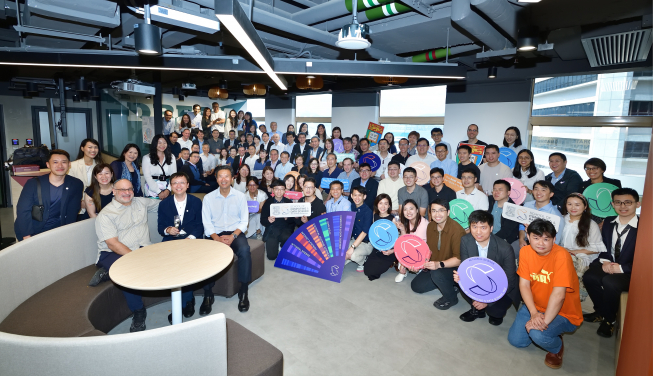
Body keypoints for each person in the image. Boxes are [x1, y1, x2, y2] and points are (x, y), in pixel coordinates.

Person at [508, 219, 583, 369]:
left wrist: (543, 322)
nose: (541, 243)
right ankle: (549, 329)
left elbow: (559, 295)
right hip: (536, 305)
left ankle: (556, 347)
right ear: (528, 237)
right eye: (536, 238)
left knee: (538, 334)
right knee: (516, 341)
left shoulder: (561, 255)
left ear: (554, 239)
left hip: (563, 311)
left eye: (546, 239)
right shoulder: (525, 251)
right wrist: (534, 313)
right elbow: (524, 285)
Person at [90, 179, 160, 332]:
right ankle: (138, 311)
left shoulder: (141, 202)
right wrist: (135, 257)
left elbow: (164, 204)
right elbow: (112, 244)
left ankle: (108, 273)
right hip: (112, 253)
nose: (127, 193)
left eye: (130, 189)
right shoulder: (107, 214)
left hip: (142, 248)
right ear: (113, 191)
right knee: (129, 272)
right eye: (122, 190)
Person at [582, 188, 640, 338]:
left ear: (637, 204)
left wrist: (620, 268)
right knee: (589, 277)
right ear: (613, 204)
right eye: (618, 202)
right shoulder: (608, 221)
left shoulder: (644, 227)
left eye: (628, 202)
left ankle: (609, 320)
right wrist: (606, 261)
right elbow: (605, 246)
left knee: (610, 282)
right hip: (609, 262)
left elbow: (644, 259)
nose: (623, 206)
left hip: (631, 270)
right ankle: (601, 312)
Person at [156, 172, 208, 323]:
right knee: (171, 266)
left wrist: (190, 238)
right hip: (171, 240)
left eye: (181, 183)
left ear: (187, 185)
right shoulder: (164, 204)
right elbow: (160, 227)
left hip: (191, 240)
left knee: (186, 264)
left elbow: (200, 225)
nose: (178, 186)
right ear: (170, 186)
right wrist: (168, 230)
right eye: (175, 183)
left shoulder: (196, 202)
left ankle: (188, 300)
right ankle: (180, 301)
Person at [455, 210, 520, 325]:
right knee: (461, 281)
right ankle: (476, 310)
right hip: (479, 279)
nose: (478, 232)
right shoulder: (466, 240)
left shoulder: (505, 248)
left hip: (500, 286)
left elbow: (509, 281)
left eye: (483, 227)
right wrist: (462, 278)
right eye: (474, 227)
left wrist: (487, 302)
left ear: (491, 228)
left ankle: (491, 310)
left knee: (495, 311)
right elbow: (465, 266)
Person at [202, 166, 252, 312]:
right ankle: (208, 294)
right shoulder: (208, 198)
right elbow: (207, 222)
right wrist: (216, 238)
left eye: (227, 176)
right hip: (214, 234)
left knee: (244, 250)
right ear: (216, 179)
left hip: (234, 232)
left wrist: (233, 236)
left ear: (232, 179)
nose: (223, 179)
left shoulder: (240, 196)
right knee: (206, 254)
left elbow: (244, 221)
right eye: (220, 176)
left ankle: (243, 290)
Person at [14, 149, 83, 241]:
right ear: (48, 165)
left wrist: (68, 233)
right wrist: (27, 236)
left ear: (69, 164)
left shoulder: (76, 184)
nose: (60, 166)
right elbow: (23, 210)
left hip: (58, 229)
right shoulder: (33, 184)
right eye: (55, 162)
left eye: (64, 162)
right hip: (33, 228)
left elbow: (72, 211)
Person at [410, 199, 465, 308]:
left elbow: (459, 259)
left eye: (441, 210)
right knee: (416, 286)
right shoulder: (430, 226)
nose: (437, 214)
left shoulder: (457, 230)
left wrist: (439, 264)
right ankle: (450, 284)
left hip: (453, 267)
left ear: (448, 212)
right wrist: (419, 264)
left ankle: (451, 298)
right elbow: (428, 251)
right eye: (434, 211)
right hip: (436, 264)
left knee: (437, 274)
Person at [559, 193, 606, 301]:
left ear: (585, 207)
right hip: (560, 253)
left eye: (577, 204)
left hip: (582, 255)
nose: (573, 207)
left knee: (567, 263)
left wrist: (571, 251)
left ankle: (570, 298)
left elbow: (596, 249)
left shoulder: (591, 224)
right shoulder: (561, 219)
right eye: (569, 204)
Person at [393, 198, 431, 282]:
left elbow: (418, 248)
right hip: (410, 249)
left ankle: (416, 268)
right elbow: (403, 241)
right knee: (400, 249)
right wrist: (402, 229)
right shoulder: (407, 222)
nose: (408, 212)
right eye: (405, 209)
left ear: (417, 210)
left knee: (415, 271)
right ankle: (404, 271)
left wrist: (403, 264)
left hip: (422, 253)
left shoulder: (423, 223)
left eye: (411, 209)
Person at [518, 181, 565, 249]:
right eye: (536, 189)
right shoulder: (527, 205)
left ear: (551, 194)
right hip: (526, 240)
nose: (538, 192)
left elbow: (555, 242)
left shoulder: (556, 216)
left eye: (543, 190)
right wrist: (521, 239)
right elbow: (522, 225)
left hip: (543, 246)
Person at [362, 194, 397, 280]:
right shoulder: (375, 217)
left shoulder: (393, 219)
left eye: (386, 203)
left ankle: (393, 261)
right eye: (380, 203)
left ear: (389, 205)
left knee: (373, 272)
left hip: (389, 250)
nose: (383, 206)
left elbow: (395, 238)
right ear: (377, 204)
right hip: (377, 248)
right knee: (367, 270)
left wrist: (391, 251)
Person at [260, 179, 295, 260]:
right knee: (271, 257)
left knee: (287, 240)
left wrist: (288, 218)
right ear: (273, 190)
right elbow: (262, 220)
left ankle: (283, 244)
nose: (279, 191)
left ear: (285, 191)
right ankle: (274, 243)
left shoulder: (288, 202)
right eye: (276, 189)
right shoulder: (268, 202)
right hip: (272, 229)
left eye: (281, 189)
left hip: (285, 229)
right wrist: (268, 220)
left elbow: (293, 221)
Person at [345, 186, 374, 272]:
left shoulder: (368, 212)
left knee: (353, 256)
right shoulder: (352, 207)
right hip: (354, 239)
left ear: (364, 197)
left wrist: (352, 247)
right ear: (351, 196)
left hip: (366, 243)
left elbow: (364, 232)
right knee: (341, 253)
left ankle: (363, 261)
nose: (357, 198)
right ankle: (351, 256)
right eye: (355, 195)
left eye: (360, 195)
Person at [487, 180, 520, 248]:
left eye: (500, 190)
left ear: (508, 192)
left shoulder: (514, 208)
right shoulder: (488, 200)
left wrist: (489, 240)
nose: (496, 192)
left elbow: (506, 231)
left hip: (504, 239)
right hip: (487, 235)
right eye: (494, 189)